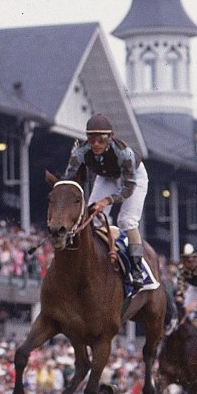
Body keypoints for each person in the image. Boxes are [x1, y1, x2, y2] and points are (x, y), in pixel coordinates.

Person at [64, 113, 150, 288]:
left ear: (110, 138)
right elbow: (70, 179)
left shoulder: (124, 154)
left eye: (101, 139)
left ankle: (136, 270)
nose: (95, 144)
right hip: (106, 176)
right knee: (92, 215)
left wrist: (107, 201)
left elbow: (127, 188)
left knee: (127, 221)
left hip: (133, 178)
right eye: (91, 139)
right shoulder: (81, 151)